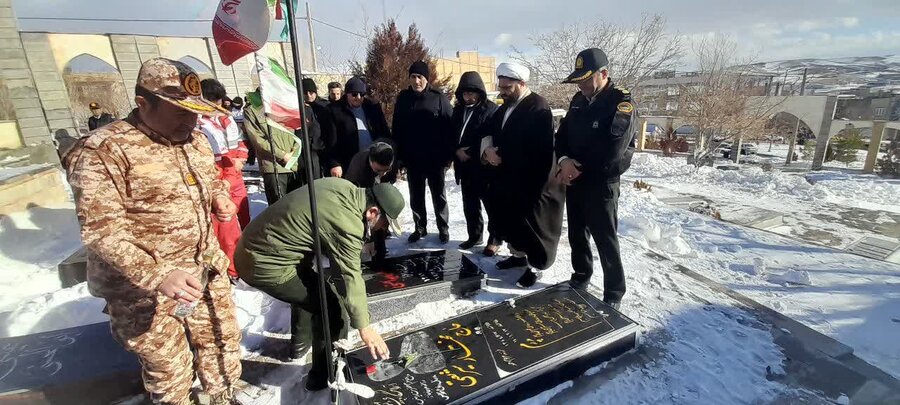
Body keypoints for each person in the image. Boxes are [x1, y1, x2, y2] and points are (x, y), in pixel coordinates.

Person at [64, 58, 242, 404]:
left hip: (203, 269)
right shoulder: (104, 150)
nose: (190, 121)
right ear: (143, 103)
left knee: (222, 342)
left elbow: (209, 179)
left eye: (194, 112)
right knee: (169, 368)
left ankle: (224, 394)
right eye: (180, 112)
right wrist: (158, 274)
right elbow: (102, 231)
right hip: (143, 288)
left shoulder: (194, 141)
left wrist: (219, 197)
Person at [234, 179, 401, 391]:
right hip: (265, 264)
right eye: (384, 223)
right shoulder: (347, 223)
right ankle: (322, 378)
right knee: (331, 308)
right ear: (373, 212)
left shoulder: (342, 186)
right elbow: (349, 276)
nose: (383, 229)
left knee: (313, 288)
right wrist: (364, 327)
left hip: (256, 247)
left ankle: (299, 346)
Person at [556, 48, 636, 310]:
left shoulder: (621, 102)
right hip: (575, 178)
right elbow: (562, 137)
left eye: (586, 80)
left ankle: (614, 291)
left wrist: (576, 168)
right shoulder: (578, 100)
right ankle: (581, 275)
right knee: (577, 234)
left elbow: (614, 149)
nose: (582, 86)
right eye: (578, 81)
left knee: (605, 238)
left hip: (601, 182)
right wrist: (564, 161)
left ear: (604, 74)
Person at [481, 62, 565, 288]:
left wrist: (502, 157)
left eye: (507, 87)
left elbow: (538, 150)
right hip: (509, 180)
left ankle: (536, 268)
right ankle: (518, 257)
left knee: (535, 228)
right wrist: (488, 152)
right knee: (513, 224)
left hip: (534, 181)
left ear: (521, 83)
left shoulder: (538, 107)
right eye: (501, 87)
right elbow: (489, 131)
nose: (503, 92)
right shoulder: (505, 108)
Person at [393, 61, 454, 244]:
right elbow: (397, 128)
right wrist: (400, 157)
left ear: (426, 79)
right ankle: (420, 227)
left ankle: (443, 228)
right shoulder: (403, 99)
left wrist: (448, 155)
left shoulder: (438, 98)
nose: (416, 81)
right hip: (413, 158)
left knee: (439, 195)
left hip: (435, 158)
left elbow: (450, 127)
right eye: (413, 77)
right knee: (416, 195)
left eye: (420, 77)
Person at [198, 79, 250, 279]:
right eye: (213, 102)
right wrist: (226, 176)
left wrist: (241, 158)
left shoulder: (227, 120)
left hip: (235, 175)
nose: (217, 106)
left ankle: (245, 255)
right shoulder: (198, 125)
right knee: (226, 227)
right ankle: (232, 268)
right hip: (219, 179)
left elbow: (240, 142)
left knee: (243, 218)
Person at [452, 71, 499, 250]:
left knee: (491, 205)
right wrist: (456, 150)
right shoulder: (458, 111)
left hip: (483, 167)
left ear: (479, 92)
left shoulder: (490, 110)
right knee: (470, 204)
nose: (468, 97)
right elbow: (450, 134)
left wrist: (470, 151)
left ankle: (494, 239)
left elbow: (491, 137)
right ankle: (474, 235)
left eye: (471, 93)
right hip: (464, 166)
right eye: (465, 93)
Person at [243, 87, 302, 204]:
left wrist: (294, 152)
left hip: (293, 164)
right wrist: (282, 155)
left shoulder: (285, 106)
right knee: (279, 206)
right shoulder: (252, 110)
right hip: (273, 166)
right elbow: (258, 140)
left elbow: (297, 132)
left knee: (296, 205)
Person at [327, 77, 391, 177]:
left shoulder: (372, 107)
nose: (358, 97)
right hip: (349, 162)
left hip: (374, 160)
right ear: (347, 94)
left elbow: (384, 132)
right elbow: (331, 140)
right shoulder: (335, 110)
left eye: (362, 94)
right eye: (354, 94)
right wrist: (334, 163)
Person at [344, 142, 397, 261]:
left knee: (381, 217)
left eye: (386, 170)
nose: (383, 173)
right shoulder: (358, 171)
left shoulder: (389, 158)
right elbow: (360, 210)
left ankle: (380, 251)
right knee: (368, 218)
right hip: (358, 194)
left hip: (379, 189)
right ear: (371, 161)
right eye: (378, 170)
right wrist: (368, 240)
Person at [301, 77, 336, 181]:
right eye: (305, 93)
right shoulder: (300, 108)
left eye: (311, 92)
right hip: (310, 149)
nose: (309, 95)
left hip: (326, 147)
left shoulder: (325, 106)